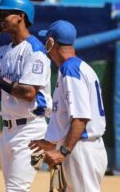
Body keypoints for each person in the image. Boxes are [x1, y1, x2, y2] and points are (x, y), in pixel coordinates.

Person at [0, 0, 52, 191]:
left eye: (5, 14)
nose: (0, 19)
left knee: (16, 189)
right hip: (8, 131)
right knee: (12, 188)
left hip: (30, 130)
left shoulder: (35, 50)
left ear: (21, 16)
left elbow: (29, 92)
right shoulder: (4, 50)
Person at [29, 20, 107, 191]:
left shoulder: (70, 69)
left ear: (51, 42)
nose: (45, 44)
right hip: (79, 148)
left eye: (46, 40)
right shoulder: (76, 67)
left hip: (81, 150)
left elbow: (80, 117)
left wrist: (62, 152)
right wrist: (50, 142)